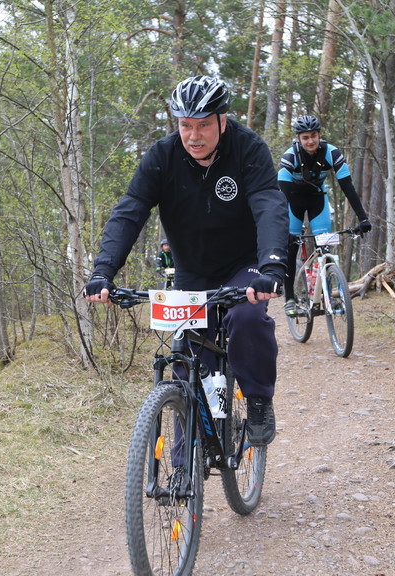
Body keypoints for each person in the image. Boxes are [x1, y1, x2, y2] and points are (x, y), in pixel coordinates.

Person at [84, 75, 288, 445]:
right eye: (185, 125)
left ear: (222, 122)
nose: (194, 136)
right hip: (192, 271)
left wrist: (271, 266)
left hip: (245, 264)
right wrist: (103, 272)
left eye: (204, 125)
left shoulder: (247, 148)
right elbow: (130, 212)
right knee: (187, 366)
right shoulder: (162, 157)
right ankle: (183, 470)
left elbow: (269, 205)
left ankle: (259, 400)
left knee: (246, 316)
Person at [277, 115, 371, 314]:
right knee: (291, 246)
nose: (310, 141)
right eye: (305, 137)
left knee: (324, 247)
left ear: (319, 135)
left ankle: (326, 293)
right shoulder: (289, 157)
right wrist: (279, 226)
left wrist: (363, 218)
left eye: (314, 135)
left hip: (317, 199)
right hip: (292, 200)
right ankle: (290, 299)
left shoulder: (332, 152)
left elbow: (348, 188)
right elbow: (280, 197)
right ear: (298, 139)